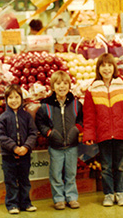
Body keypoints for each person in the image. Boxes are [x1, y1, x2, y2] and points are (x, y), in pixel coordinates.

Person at [83, 53, 123, 207]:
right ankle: (108, 194)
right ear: (98, 69)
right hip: (103, 135)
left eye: (109, 65)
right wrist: (89, 134)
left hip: (121, 134)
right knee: (106, 166)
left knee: (120, 166)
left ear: (114, 67)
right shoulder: (92, 90)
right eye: (103, 65)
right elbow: (88, 116)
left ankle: (120, 193)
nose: (106, 68)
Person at [35, 71, 83, 210]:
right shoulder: (46, 106)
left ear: (69, 85)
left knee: (71, 173)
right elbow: (40, 122)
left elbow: (81, 119)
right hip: (55, 146)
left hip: (72, 145)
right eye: (58, 83)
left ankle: (71, 197)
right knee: (55, 173)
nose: (62, 86)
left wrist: (77, 128)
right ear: (52, 87)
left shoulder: (76, 104)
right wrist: (49, 133)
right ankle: (58, 199)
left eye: (65, 83)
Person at [0, 84, 38, 214]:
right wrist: (13, 147)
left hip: (25, 154)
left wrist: (26, 147)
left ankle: (26, 203)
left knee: (25, 180)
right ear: (6, 100)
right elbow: (0, 136)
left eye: (17, 97)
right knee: (11, 181)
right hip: (9, 156)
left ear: (22, 98)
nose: (14, 100)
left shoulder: (27, 116)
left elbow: (33, 133)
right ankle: (12, 204)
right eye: (11, 97)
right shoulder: (2, 118)